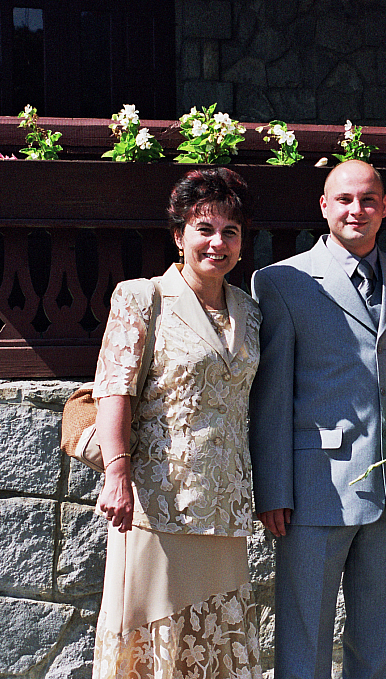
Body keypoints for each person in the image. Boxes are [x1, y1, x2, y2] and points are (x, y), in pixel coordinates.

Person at [249, 159, 386, 679]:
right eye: (345, 199)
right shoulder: (283, 280)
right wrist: (274, 488)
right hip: (314, 488)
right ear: (324, 207)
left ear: (385, 208)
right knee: (304, 640)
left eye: (369, 199)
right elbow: (272, 394)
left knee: (379, 642)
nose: (357, 209)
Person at [92, 167, 262, 678]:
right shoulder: (141, 298)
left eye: (230, 231)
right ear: (178, 235)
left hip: (225, 506)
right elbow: (113, 389)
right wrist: (117, 475)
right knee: (153, 643)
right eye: (204, 229)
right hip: (154, 505)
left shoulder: (251, 312)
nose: (217, 242)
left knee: (217, 644)